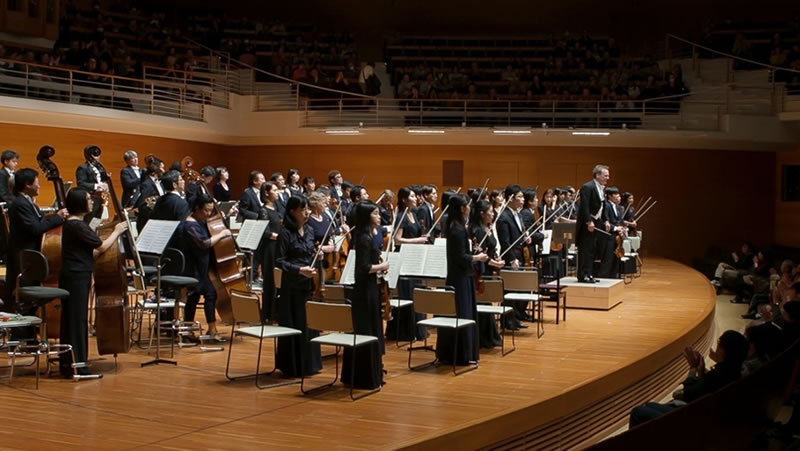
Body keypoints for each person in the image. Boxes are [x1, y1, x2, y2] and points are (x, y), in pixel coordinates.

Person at [58, 189, 128, 378]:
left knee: (74, 320)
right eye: (88, 199)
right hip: (76, 276)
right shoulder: (77, 226)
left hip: (75, 274)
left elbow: (92, 253)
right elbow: (102, 246)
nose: (91, 202)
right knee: (77, 321)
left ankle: (69, 364)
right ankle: (78, 366)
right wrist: (117, 231)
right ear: (80, 203)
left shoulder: (74, 225)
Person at [629, 330, 749, 427]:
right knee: (650, 406)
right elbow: (706, 388)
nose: (717, 347)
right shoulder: (737, 371)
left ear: (725, 351)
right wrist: (701, 372)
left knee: (638, 412)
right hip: (705, 416)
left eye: (719, 344)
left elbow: (689, 394)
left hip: (692, 422)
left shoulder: (719, 375)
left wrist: (692, 368)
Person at [435, 194, 491, 365]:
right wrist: (478, 257)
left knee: (458, 314)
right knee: (463, 314)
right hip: (461, 279)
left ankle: (452, 353)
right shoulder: (458, 229)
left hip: (457, 276)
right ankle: (462, 354)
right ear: (461, 208)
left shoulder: (455, 226)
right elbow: (461, 257)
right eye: (467, 205)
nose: (470, 208)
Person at [4, 168, 67, 311]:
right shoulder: (20, 204)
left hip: (30, 256)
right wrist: (58, 217)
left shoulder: (27, 202)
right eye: (37, 183)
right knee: (25, 300)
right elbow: (35, 228)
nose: (39, 186)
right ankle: (23, 332)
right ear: (27, 184)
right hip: (24, 258)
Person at [340, 201, 388, 389]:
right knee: (367, 332)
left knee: (371, 331)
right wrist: (382, 266)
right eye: (375, 213)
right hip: (365, 292)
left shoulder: (368, 236)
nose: (379, 216)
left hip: (370, 289)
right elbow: (363, 268)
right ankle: (364, 377)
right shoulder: (363, 239)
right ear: (367, 216)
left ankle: (370, 373)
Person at [275, 195, 322, 377]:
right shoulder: (285, 233)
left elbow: (309, 253)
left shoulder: (309, 231)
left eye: (307, 209)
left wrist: (316, 257)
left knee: (309, 324)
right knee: (296, 323)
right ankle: (293, 366)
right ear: (292, 212)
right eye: (303, 209)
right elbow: (279, 261)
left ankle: (310, 364)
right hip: (292, 286)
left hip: (308, 284)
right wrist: (298, 270)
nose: (307, 212)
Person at [182, 194, 231, 342]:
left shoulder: (199, 221)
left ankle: (190, 330)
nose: (208, 214)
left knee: (197, 297)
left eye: (210, 210)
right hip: (194, 268)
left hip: (201, 267)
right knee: (208, 294)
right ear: (197, 208)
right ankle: (210, 330)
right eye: (206, 211)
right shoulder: (189, 225)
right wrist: (222, 234)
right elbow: (203, 243)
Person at [386, 186, 428, 342]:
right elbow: (396, 240)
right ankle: (404, 331)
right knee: (406, 293)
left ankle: (416, 329)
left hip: (413, 258)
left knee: (415, 292)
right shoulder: (401, 216)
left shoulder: (413, 214)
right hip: (403, 259)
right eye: (412, 196)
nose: (416, 198)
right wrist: (418, 240)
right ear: (404, 199)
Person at [470, 200, 506, 348]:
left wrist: (496, 258)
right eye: (490, 212)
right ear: (482, 214)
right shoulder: (477, 231)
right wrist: (495, 263)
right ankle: (483, 338)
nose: (493, 214)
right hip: (482, 271)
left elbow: (490, 250)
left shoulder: (487, 228)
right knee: (483, 302)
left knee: (487, 302)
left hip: (489, 269)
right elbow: (479, 254)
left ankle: (488, 336)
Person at [497, 184, 532, 329]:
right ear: (510, 198)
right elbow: (505, 242)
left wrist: (526, 237)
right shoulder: (504, 217)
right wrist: (511, 259)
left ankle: (515, 318)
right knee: (509, 290)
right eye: (519, 197)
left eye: (523, 197)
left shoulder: (517, 214)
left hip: (520, 255)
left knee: (517, 289)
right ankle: (507, 321)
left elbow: (519, 234)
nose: (523, 200)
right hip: (512, 258)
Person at [576, 164, 610, 283]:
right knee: (585, 249)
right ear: (597, 175)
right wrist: (588, 221)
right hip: (588, 223)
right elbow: (584, 206)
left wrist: (605, 220)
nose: (607, 178)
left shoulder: (602, 188)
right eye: (605, 175)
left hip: (597, 222)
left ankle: (589, 273)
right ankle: (582, 275)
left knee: (592, 249)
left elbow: (603, 206)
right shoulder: (587, 187)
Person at [258, 181, 283, 322]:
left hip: (277, 247)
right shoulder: (263, 211)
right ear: (266, 193)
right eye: (274, 190)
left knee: (278, 280)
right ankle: (267, 313)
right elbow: (265, 231)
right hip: (269, 249)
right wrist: (277, 236)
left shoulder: (276, 209)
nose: (277, 192)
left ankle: (276, 312)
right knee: (270, 281)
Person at [74, 145, 108, 222]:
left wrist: (106, 184)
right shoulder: (83, 168)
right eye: (94, 154)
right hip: (91, 198)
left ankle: (93, 233)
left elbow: (102, 180)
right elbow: (81, 183)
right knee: (89, 220)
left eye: (98, 155)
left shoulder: (100, 168)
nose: (97, 157)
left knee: (96, 221)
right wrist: (96, 186)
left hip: (100, 198)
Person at [599, 186, 625, 278]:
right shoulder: (606, 205)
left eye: (618, 194)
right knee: (608, 259)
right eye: (615, 194)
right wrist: (615, 228)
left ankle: (613, 278)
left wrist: (622, 228)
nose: (618, 196)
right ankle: (604, 278)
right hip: (608, 237)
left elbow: (620, 221)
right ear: (609, 196)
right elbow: (604, 221)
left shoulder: (618, 207)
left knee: (616, 259)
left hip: (618, 237)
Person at [135, 155, 165, 233]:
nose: (163, 170)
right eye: (162, 168)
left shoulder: (160, 183)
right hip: (147, 223)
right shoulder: (147, 184)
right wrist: (154, 215)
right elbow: (141, 205)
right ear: (156, 169)